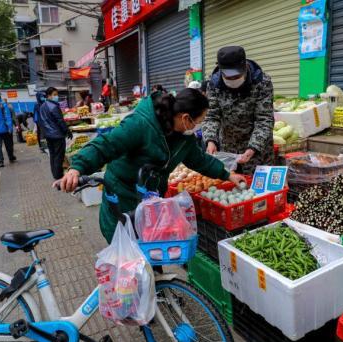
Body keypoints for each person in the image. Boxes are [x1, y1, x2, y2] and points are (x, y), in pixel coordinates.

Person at [58, 88, 246, 243]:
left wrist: (227, 174)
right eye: (199, 121)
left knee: (151, 247)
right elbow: (106, 145)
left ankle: (154, 284)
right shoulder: (141, 124)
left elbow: (200, 160)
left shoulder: (185, 138)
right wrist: (77, 168)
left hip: (150, 197)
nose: (200, 125)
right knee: (126, 251)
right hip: (123, 195)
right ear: (186, 118)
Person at [202, 46, 275, 174]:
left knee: (256, 190)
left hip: (257, 151)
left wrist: (253, 148)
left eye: (236, 76)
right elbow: (211, 116)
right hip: (228, 149)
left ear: (245, 66)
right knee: (230, 186)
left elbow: (264, 119)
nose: (233, 80)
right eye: (228, 77)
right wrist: (210, 140)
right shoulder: (213, 84)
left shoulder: (262, 82)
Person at [40, 87, 72, 179]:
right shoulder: (54, 106)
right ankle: (58, 175)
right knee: (59, 155)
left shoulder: (42, 106)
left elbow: (41, 121)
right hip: (57, 135)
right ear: (49, 96)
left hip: (48, 135)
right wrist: (67, 131)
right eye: (54, 95)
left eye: (57, 94)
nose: (56, 96)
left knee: (53, 155)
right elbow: (60, 121)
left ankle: (55, 173)